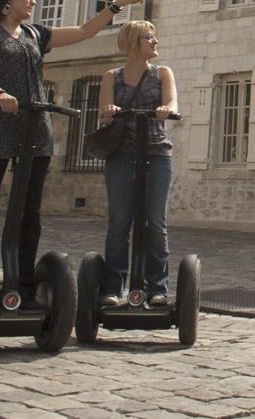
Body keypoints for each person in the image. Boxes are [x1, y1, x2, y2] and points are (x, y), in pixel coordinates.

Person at [0, 0, 146, 310]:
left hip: (34, 126)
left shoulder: (35, 35)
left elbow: (84, 31)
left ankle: (23, 287)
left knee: (29, 214)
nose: (33, 0)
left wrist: (117, 5)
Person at [97, 20, 178, 307]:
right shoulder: (112, 77)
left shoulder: (162, 73)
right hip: (121, 155)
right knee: (120, 222)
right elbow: (103, 115)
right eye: (149, 38)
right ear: (134, 42)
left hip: (156, 154)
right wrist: (108, 111)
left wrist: (165, 108)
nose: (155, 42)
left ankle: (157, 287)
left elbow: (172, 104)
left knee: (155, 223)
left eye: (154, 38)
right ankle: (112, 287)